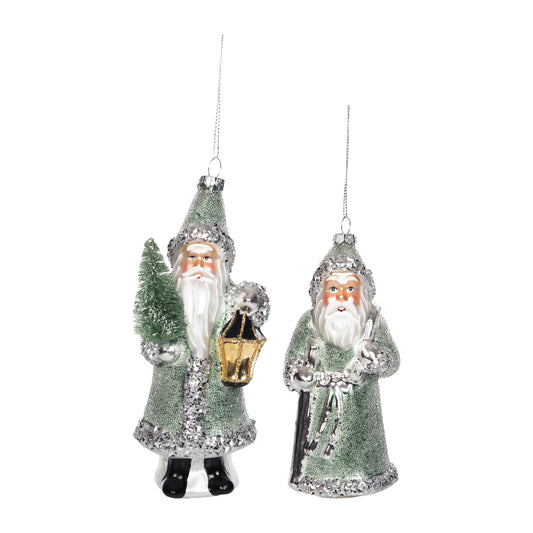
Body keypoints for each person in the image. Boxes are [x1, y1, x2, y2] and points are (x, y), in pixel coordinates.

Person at [134, 176, 269, 498]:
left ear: (221, 264)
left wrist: (253, 305)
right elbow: (150, 332)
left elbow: (256, 315)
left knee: (216, 427)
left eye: (207, 258)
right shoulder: (168, 301)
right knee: (173, 427)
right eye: (191, 258)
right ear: (179, 263)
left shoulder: (231, 300)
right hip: (173, 382)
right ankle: (177, 469)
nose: (199, 266)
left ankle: (216, 467)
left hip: (219, 382)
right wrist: (158, 351)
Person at [284, 233, 399, 498]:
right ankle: (315, 475)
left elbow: (393, 362)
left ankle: (366, 473)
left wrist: (377, 357)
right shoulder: (308, 323)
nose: (342, 298)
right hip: (318, 409)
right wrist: (298, 373)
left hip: (362, 413)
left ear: (363, 295)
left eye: (350, 290)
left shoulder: (373, 325)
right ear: (320, 294)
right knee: (317, 447)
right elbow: (291, 362)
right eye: (333, 289)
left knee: (360, 446)